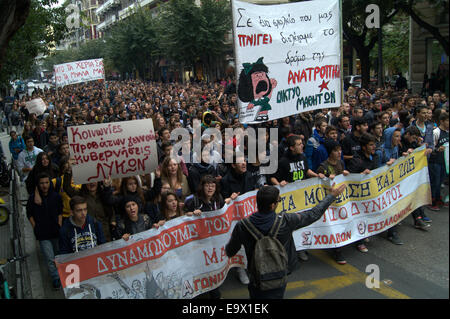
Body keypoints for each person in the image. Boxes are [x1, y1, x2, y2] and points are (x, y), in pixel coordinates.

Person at [225, 183, 346, 299]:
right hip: (280, 276)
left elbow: (230, 251)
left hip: (256, 278)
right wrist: (331, 196)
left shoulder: (242, 225)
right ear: (272, 205)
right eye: (278, 200)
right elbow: (313, 214)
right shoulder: (286, 221)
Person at [26, 173, 63, 289]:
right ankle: (55, 278)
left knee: (58, 255)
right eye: (42, 183)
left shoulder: (56, 196)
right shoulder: (33, 198)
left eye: (46, 182)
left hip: (55, 231)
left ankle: (62, 274)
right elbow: (29, 214)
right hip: (43, 234)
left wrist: (59, 224)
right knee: (49, 257)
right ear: (38, 184)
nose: (44, 185)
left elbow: (60, 211)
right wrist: (35, 227)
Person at [347, 133, 380, 253]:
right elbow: (349, 178)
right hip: (358, 195)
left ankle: (365, 233)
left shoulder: (375, 156)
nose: (374, 147)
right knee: (359, 216)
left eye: (374, 144)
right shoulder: (357, 160)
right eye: (371, 145)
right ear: (364, 147)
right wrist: (361, 175)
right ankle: (359, 241)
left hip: (370, 192)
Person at [428, 112, 449, 210]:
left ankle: (438, 197)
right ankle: (432, 201)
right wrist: (437, 149)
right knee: (435, 181)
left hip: (444, 161)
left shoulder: (448, 132)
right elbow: (431, 147)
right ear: (442, 121)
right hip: (435, 161)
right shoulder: (436, 132)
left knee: (440, 181)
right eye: (447, 121)